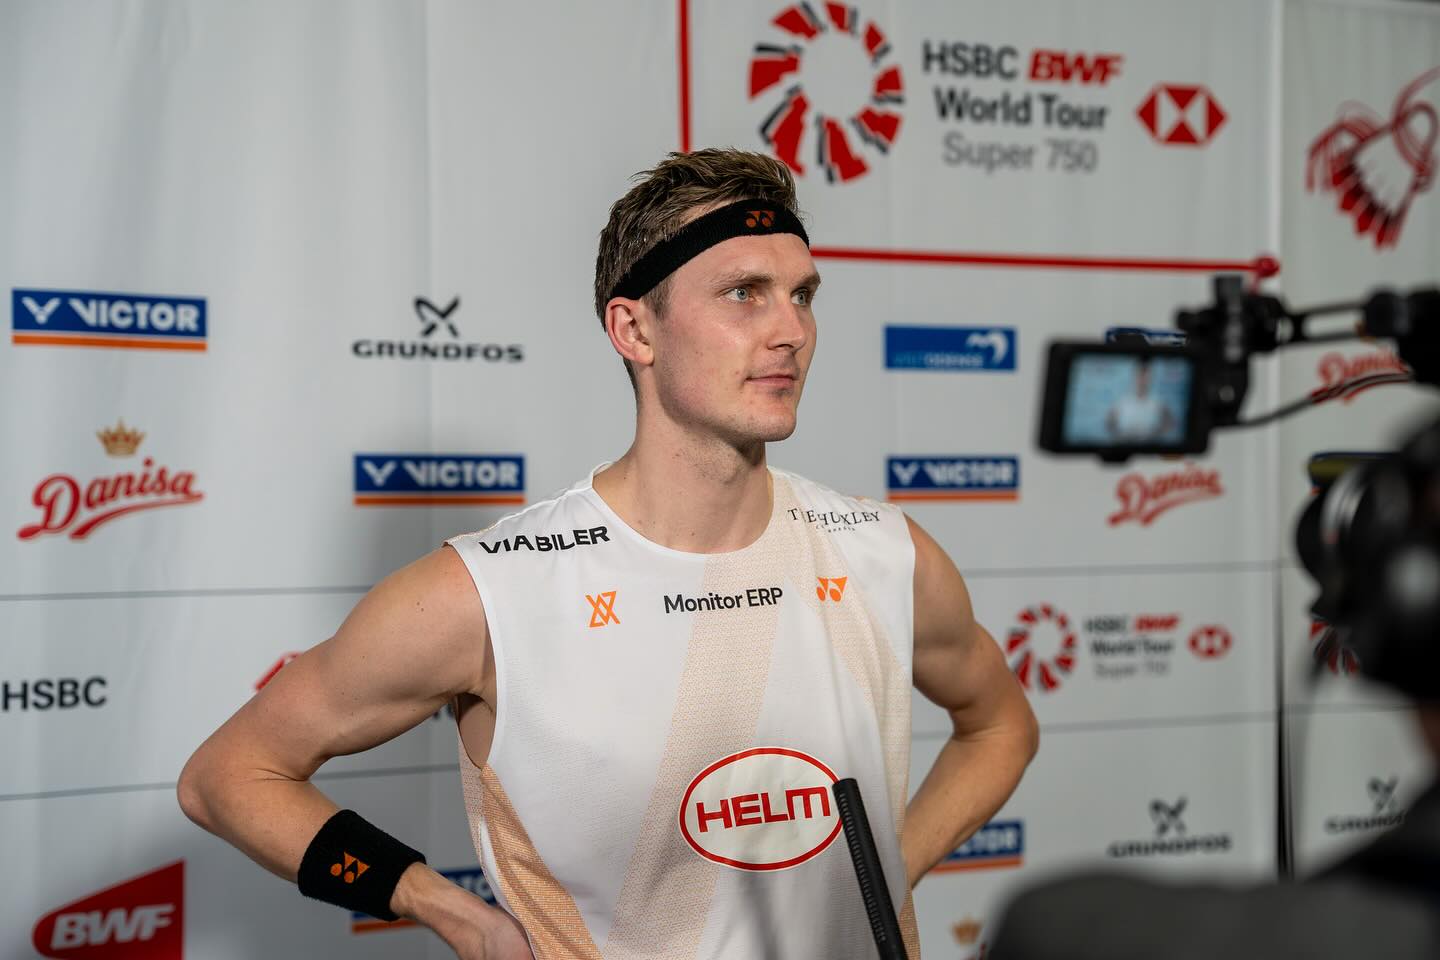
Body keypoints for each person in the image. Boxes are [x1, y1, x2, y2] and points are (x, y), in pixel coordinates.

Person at [178, 148, 1039, 959]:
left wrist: (884, 875)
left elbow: (1002, 726)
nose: (791, 330)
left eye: (802, 295)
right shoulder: (491, 591)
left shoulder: (885, 553)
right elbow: (229, 776)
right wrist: (447, 910)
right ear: (634, 329)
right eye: (745, 293)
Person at [1104, 359, 1176, 442]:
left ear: (1150, 379)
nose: (1142, 381)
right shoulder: (1122, 402)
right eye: (1140, 376)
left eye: (1145, 377)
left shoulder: (1158, 403)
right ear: (1134, 377)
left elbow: (1170, 423)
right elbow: (1108, 424)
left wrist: (1154, 434)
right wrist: (1121, 436)